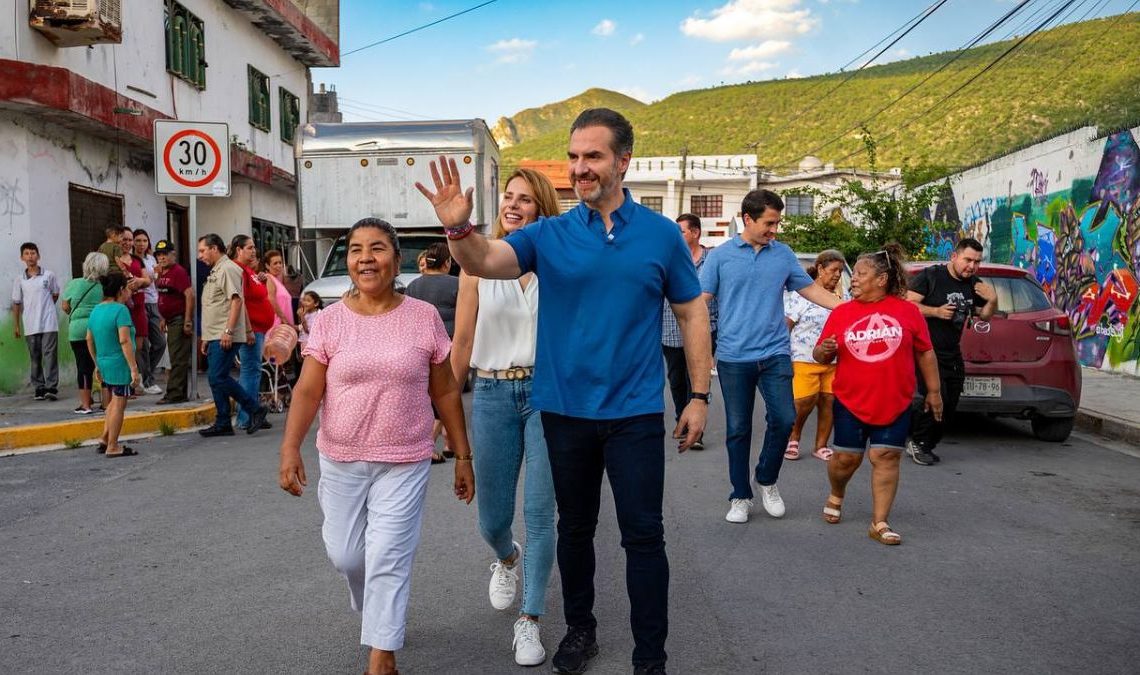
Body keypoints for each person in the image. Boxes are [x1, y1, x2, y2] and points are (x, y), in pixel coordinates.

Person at [418, 107, 711, 675]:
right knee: (574, 529)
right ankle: (581, 630)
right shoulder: (547, 235)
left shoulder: (660, 236)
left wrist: (697, 396)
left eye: (592, 156)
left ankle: (651, 656)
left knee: (644, 536)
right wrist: (459, 229)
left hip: (635, 412)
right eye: (574, 157)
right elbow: (486, 260)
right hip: (564, 411)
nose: (580, 168)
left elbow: (692, 313)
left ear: (623, 161)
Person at [278, 218, 475, 675]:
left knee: (388, 554)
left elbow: (444, 392)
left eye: (378, 248)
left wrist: (463, 455)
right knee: (346, 555)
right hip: (341, 457)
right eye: (356, 249)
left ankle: (382, 656)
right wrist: (290, 449)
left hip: (405, 458)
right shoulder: (328, 322)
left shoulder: (422, 317)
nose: (366, 257)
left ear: (395, 259)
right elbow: (308, 392)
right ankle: (376, 613)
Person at [448, 168, 560, 667]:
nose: (514, 205)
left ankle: (530, 620)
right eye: (509, 197)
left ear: (542, 209)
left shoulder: (556, 262)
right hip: (491, 391)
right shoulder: (477, 263)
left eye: (527, 200)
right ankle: (505, 557)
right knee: (491, 519)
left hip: (546, 396)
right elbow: (463, 343)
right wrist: (443, 408)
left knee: (540, 514)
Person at [700, 190, 841, 524]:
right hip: (734, 357)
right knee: (737, 428)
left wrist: (855, 308)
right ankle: (740, 495)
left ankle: (766, 478)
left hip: (776, 352)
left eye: (777, 222)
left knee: (783, 418)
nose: (775, 229)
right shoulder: (720, 257)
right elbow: (699, 300)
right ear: (747, 219)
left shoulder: (783, 255)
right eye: (769, 222)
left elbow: (811, 290)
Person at [813, 244, 943, 545]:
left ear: (881, 279)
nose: (853, 279)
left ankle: (879, 521)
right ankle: (837, 492)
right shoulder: (842, 312)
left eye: (860, 273)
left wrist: (934, 391)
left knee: (885, 456)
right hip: (850, 399)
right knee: (845, 460)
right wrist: (825, 350)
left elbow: (925, 353)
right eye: (853, 273)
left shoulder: (908, 311)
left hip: (895, 401)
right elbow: (820, 354)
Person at [906, 237, 997, 465]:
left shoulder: (973, 283)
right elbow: (907, 305)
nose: (972, 266)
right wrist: (935, 311)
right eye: (968, 260)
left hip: (951, 354)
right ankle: (919, 443)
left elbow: (984, 314)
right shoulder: (932, 276)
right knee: (935, 398)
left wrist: (993, 298)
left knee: (951, 403)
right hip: (926, 351)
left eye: (977, 262)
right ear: (954, 256)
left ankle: (925, 442)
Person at [196, 233, 268, 437]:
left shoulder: (228, 269)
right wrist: (207, 337)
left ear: (214, 248)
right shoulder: (216, 270)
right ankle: (223, 421)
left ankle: (254, 409)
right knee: (215, 378)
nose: (200, 256)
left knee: (218, 377)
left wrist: (228, 331)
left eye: (203, 250)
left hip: (224, 334)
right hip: (215, 334)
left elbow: (236, 301)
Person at [784, 249, 848, 462]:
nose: (838, 275)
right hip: (803, 357)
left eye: (840, 271)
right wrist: (782, 355)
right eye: (833, 270)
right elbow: (787, 325)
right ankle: (793, 437)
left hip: (836, 359)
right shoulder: (802, 294)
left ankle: (821, 445)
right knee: (803, 401)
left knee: (829, 401)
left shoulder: (843, 297)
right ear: (820, 269)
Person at [661, 213, 718, 451]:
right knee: (676, 381)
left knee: (697, 380)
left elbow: (720, 297)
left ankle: (696, 427)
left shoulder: (712, 260)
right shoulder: (667, 258)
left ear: (695, 233)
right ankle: (681, 421)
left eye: (681, 231)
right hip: (670, 331)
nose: (677, 236)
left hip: (705, 330)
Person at [86, 273, 142, 457]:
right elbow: (124, 340)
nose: (128, 292)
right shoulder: (120, 310)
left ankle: (104, 437)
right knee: (119, 403)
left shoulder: (96, 310)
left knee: (112, 403)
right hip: (120, 364)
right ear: (120, 290)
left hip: (104, 362)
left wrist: (97, 364)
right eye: (126, 288)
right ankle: (113, 445)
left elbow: (89, 339)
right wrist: (133, 368)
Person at [228, 235, 274, 430]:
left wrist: (261, 279)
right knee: (250, 371)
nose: (254, 251)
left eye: (254, 247)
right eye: (249, 248)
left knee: (253, 371)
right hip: (251, 329)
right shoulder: (238, 270)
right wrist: (247, 329)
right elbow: (241, 301)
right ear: (238, 250)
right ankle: (246, 417)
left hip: (259, 329)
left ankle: (253, 414)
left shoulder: (249, 271)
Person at [61, 252, 109, 414]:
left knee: (83, 366)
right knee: (102, 364)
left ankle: (86, 405)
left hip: (77, 330)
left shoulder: (74, 284)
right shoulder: (104, 286)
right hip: (98, 328)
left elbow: (65, 307)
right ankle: (106, 403)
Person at [11, 242, 61, 401]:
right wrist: (17, 325)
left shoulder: (48, 275)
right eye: (26, 254)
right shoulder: (19, 280)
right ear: (22, 257)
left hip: (48, 322)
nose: (30, 256)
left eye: (33, 253)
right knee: (35, 356)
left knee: (50, 354)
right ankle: (39, 387)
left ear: (38, 256)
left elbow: (55, 294)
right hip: (30, 323)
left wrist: (46, 309)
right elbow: (17, 303)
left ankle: (51, 387)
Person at [154, 240, 194, 404]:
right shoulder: (162, 272)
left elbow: (189, 295)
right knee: (174, 357)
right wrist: (163, 317)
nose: (162, 258)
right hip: (169, 320)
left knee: (178, 358)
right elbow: (164, 295)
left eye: (165, 254)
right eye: (159, 255)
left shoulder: (178, 272)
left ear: (173, 255)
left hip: (179, 319)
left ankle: (175, 394)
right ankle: (177, 392)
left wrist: (187, 321)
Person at [133, 229, 166, 395]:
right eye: (137, 240)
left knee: (160, 342)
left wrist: (158, 273)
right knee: (143, 345)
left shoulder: (151, 258)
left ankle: (145, 373)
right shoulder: (133, 260)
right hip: (140, 303)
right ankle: (147, 380)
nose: (141, 244)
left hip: (154, 303)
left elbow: (156, 282)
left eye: (144, 240)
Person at [405, 242, 459, 337]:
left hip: (421, 340)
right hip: (451, 341)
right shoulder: (457, 284)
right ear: (446, 263)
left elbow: (406, 317)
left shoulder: (412, 286)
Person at [262, 249, 295, 329]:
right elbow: (271, 299)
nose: (279, 265)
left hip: (284, 325)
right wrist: (283, 319)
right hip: (277, 325)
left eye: (280, 263)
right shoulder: (269, 278)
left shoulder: (276, 280)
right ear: (267, 265)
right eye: (275, 263)